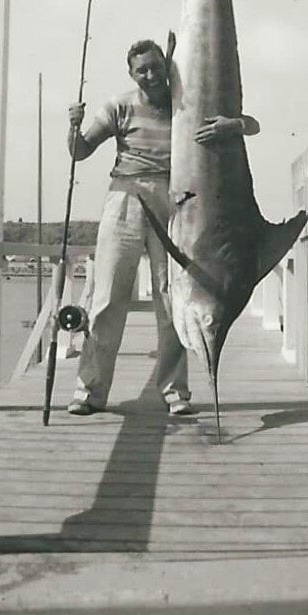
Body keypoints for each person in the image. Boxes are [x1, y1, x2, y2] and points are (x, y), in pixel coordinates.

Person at [66, 39, 260, 416]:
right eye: (143, 70)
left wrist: (232, 124)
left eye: (157, 67)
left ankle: (174, 392)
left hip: (172, 202)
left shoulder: (184, 104)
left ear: (166, 65)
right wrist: (72, 127)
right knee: (106, 300)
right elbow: (80, 151)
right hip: (125, 197)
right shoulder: (119, 105)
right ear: (132, 74)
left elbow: (252, 125)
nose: (151, 75)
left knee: (172, 300)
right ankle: (89, 391)